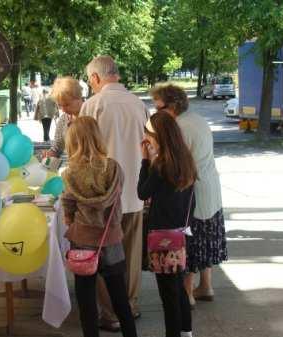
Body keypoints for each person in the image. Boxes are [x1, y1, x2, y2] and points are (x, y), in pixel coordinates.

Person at [80, 55, 149, 331]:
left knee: (104, 254)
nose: (90, 84)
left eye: (89, 80)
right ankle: (129, 307)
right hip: (135, 191)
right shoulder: (138, 104)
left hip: (104, 195)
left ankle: (110, 314)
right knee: (131, 254)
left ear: (96, 78)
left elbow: (83, 152)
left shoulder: (93, 105)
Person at [150, 83, 227, 307]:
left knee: (190, 242)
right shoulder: (198, 119)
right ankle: (206, 286)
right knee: (206, 239)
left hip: (192, 192)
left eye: (159, 108)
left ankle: (187, 294)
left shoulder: (179, 128)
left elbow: (175, 166)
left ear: (172, 105)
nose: (156, 113)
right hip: (210, 188)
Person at [61, 116, 137, 337]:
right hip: (111, 239)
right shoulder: (113, 168)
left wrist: (70, 219)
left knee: (86, 302)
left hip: (83, 241)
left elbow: (68, 204)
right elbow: (117, 199)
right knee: (120, 298)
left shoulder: (70, 174)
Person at [137, 111, 196, 337]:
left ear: (157, 136)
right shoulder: (185, 160)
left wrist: (144, 159)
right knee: (178, 287)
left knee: (168, 294)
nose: (145, 137)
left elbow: (142, 192)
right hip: (180, 235)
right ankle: (186, 331)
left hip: (162, 238)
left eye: (148, 133)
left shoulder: (160, 164)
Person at [47, 76, 84, 158]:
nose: (63, 110)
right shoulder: (64, 119)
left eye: (67, 104)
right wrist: (51, 153)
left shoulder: (91, 115)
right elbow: (57, 147)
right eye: (60, 105)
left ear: (78, 98)